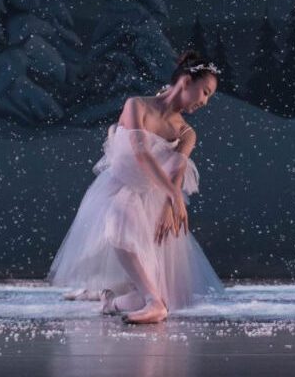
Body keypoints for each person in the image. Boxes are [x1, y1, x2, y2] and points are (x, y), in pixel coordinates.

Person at [47, 51, 224, 323]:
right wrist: (173, 194)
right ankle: (154, 304)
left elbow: (177, 172)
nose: (205, 101)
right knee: (119, 221)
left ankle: (111, 301)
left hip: (153, 198)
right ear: (187, 81)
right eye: (205, 92)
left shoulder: (187, 132)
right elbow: (142, 155)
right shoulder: (137, 106)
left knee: (159, 290)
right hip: (118, 187)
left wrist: (169, 203)